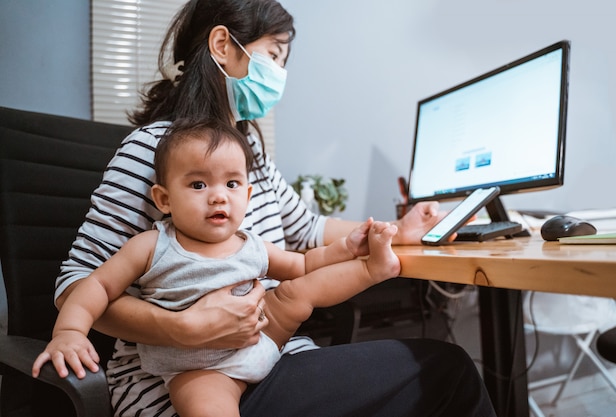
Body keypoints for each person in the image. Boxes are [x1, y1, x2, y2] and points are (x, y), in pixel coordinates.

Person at [52, 0, 497, 416]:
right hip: (174, 381)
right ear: (224, 46)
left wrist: (397, 231)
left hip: (268, 352)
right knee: (448, 372)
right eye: (275, 55)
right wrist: (185, 329)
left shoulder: (249, 158)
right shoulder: (151, 149)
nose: (280, 72)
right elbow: (77, 284)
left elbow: (310, 230)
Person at [33, 120, 401, 417]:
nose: (218, 195)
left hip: (264, 335)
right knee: (207, 407)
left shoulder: (251, 243)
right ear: (163, 198)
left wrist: (347, 248)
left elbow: (304, 263)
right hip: (199, 366)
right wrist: (69, 331)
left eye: (231, 183)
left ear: (247, 195)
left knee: (297, 292)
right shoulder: (151, 245)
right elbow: (96, 286)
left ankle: (373, 270)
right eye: (197, 184)